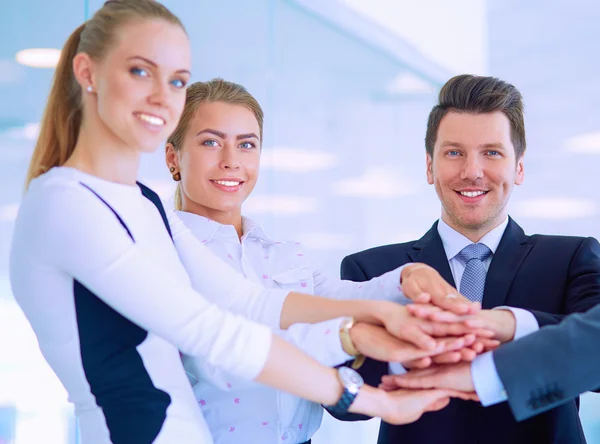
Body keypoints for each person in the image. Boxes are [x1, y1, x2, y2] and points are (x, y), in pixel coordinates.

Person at [8, 2, 477, 443]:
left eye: (176, 81)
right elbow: (210, 332)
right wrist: (367, 387)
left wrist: (386, 306)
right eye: (139, 71)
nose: (160, 96)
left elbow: (248, 302)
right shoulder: (65, 203)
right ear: (86, 72)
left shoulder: (140, 202)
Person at [163, 78, 492, 444]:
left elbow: (340, 298)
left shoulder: (283, 253)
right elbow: (223, 360)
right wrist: (350, 338)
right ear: (173, 157)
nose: (231, 161)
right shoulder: (162, 252)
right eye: (211, 142)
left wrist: (407, 278)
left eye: (246, 145)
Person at [334, 74, 600, 444]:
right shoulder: (372, 271)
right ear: (429, 166)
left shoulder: (572, 258)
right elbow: (342, 402)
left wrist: (488, 327)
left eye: (491, 152)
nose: (472, 171)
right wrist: (413, 343)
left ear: (518, 167)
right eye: (454, 152)